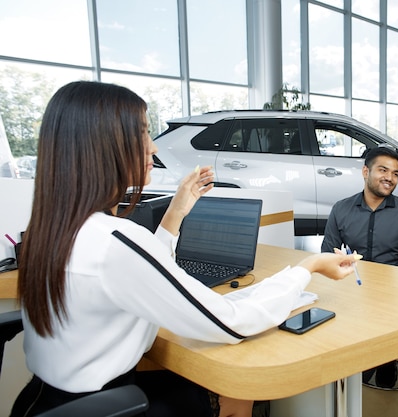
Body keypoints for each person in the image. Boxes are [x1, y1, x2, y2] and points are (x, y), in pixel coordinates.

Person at [10, 81, 360, 417]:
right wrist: (308, 268)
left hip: (45, 401)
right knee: (222, 391)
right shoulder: (114, 241)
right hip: (108, 405)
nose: (154, 147)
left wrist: (177, 211)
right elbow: (231, 322)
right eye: (142, 133)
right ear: (101, 146)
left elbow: (141, 272)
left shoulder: (57, 229)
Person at [321, 145, 398, 388]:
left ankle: (385, 360)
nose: (390, 178)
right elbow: (327, 255)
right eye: (383, 170)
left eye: (395, 173)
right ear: (365, 171)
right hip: (351, 290)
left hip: (393, 296)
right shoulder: (341, 209)